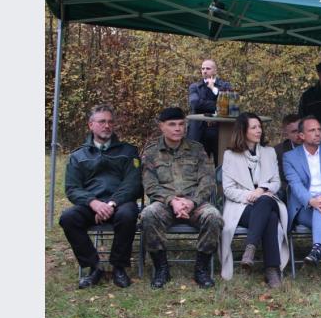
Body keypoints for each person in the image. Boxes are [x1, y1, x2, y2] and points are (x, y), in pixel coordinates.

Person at [59, 104, 143, 289]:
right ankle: (94, 267)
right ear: (91, 125)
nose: (107, 126)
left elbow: (133, 184)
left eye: (110, 122)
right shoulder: (78, 156)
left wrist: (111, 204)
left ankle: (119, 267)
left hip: (120, 204)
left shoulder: (128, 151)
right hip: (91, 205)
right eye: (102, 121)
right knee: (68, 218)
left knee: (128, 215)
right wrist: (93, 203)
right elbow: (72, 188)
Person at [141, 107, 223, 289]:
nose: (178, 128)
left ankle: (201, 269)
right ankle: (161, 269)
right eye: (172, 124)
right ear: (161, 126)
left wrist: (192, 202)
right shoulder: (151, 152)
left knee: (214, 217)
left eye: (181, 124)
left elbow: (207, 180)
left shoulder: (197, 149)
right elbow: (150, 185)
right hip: (164, 203)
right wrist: (172, 201)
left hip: (194, 203)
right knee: (148, 215)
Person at [219, 113, 290, 289]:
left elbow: (276, 183)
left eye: (260, 127)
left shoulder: (269, 152)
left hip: (268, 199)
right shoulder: (230, 155)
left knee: (265, 202)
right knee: (271, 218)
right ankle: (272, 270)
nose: (259, 130)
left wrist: (261, 190)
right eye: (254, 127)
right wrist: (249, 196)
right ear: (242, 131)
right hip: (241, 206)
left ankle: (250, 248)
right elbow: (228, 189)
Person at [283, 116, 321, 293]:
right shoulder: (289, 157)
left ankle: (317, 249)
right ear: (301, 135)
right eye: (312, 130)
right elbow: (295, 185)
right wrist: (312, 201)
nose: (317, 133)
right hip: (305, 206)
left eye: (319, 130)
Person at [187, 59, 232, 163]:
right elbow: (195, 103)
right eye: (203, 68)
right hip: (198, 130)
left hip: (220, 130)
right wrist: (218, 105)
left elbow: (229, 105)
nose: (204, 71)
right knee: (196, 163)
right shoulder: (195, 87)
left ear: (215, 70)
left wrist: (213, 89)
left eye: (208, 68)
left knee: (222, 163)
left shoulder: (225, 86)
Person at [273, 114, 303, 200]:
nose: (299, 134)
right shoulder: (278, 151)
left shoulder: (316, 147)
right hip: (290, 191)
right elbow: (277, 179)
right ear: (286, 135)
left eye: (301, 130)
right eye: (294, 131)